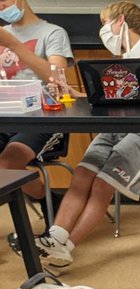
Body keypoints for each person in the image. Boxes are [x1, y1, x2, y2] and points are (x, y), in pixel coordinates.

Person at [26, 2, 140, 268]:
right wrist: (79, 95)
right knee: (82, 175)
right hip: (118, 126)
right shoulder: (120, 62)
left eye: (104, 23)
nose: (103, 31)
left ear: (120, 21)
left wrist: (128, 82)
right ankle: (55, 238)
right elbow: (114, 96)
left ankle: (67, 247)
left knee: (102, 185)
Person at [0, 0, 73, 210]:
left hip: (43, 119)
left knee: (6, 165)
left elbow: (57, 80)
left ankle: (46, 199)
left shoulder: (53, 33)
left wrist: (14, 45)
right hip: (5, 116)